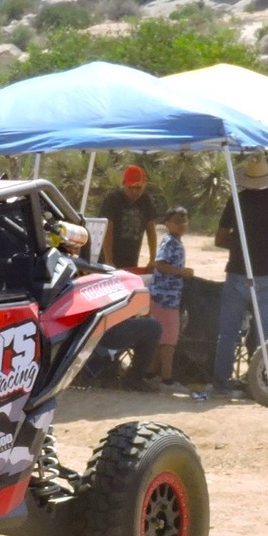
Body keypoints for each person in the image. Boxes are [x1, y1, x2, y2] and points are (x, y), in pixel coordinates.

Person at [208, 159, 268, 398]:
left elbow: (219, 239)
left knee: (228, 333)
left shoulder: (236, 201)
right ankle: (257, 382)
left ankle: (221, 383)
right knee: (263, 334)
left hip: (237, 272)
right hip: (266, 275)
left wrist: (241, 245)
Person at [148, 206, 193, 385]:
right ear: (167, 223)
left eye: (183, 221)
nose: (181, 224)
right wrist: (181, 272)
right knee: (169, 340)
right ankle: (167, 378)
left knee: (161, 338)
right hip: (164, 297)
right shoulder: (169, 242)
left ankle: (151, 374)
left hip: (170, 297)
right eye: (176, 221)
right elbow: (159, 264)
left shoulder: (176, 242)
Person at [98, 165, 163, 269]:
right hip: (109, 259)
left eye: (138, 188)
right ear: (124, 184)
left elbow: (151, 231)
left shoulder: (146, 201)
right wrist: (109, 261)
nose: (135, 192)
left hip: (131, 260)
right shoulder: (113, 199)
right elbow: (107, 231)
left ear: (144, 185)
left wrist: (152, 259)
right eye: (130, 187)